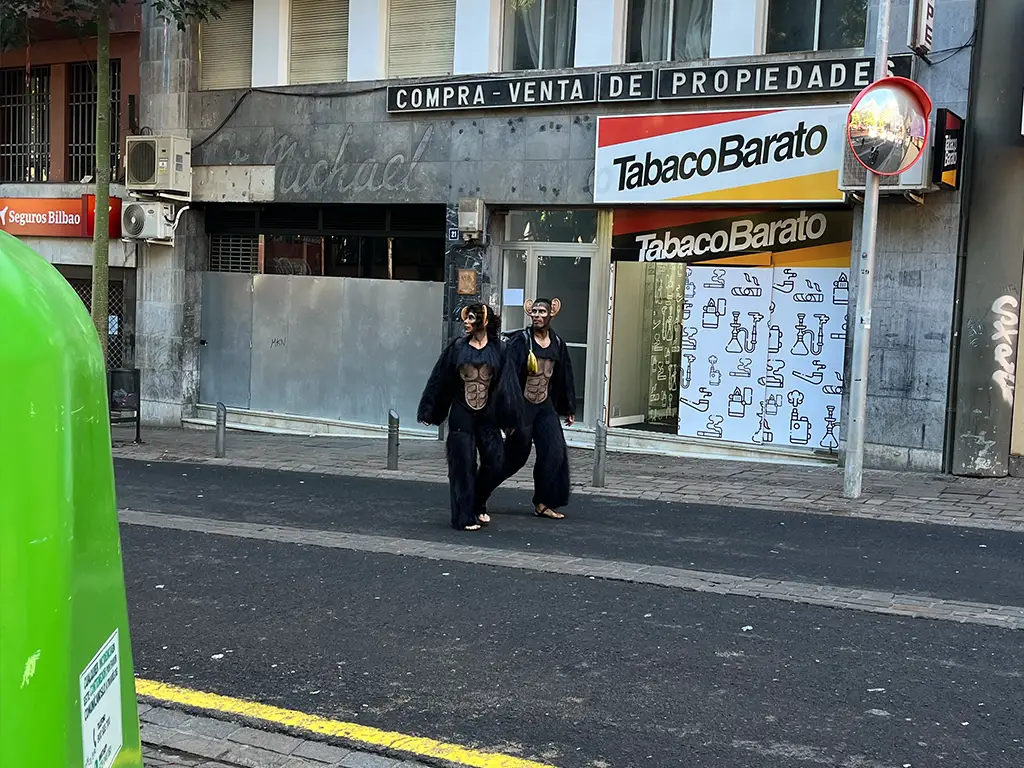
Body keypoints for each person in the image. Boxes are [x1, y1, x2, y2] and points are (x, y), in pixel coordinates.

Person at [418, 303, 521, 531]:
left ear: (483, 321)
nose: (466, 322)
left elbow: (509, 387)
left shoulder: (501, 350)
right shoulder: (456, 348)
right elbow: (440, 380)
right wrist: (430, 411)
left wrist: (510, 419)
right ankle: (464, 516)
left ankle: (478, 501)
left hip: (488, 414)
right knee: (462, 466)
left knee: (495, 462)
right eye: (466, 318)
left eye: (471, 318)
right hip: (461, 413)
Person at [498, 297, 576, 519]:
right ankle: (478, 492)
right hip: (523, 406)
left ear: (552, 313)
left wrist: (568, 407)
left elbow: (564, 377)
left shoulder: (558, 343)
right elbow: (508, 379)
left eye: (542, 311)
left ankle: (544, 502)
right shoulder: (520, 342)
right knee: (514, 457)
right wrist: (508, 415)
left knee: (554, 452)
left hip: (545, 406)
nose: (537, 315)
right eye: (534, 312)